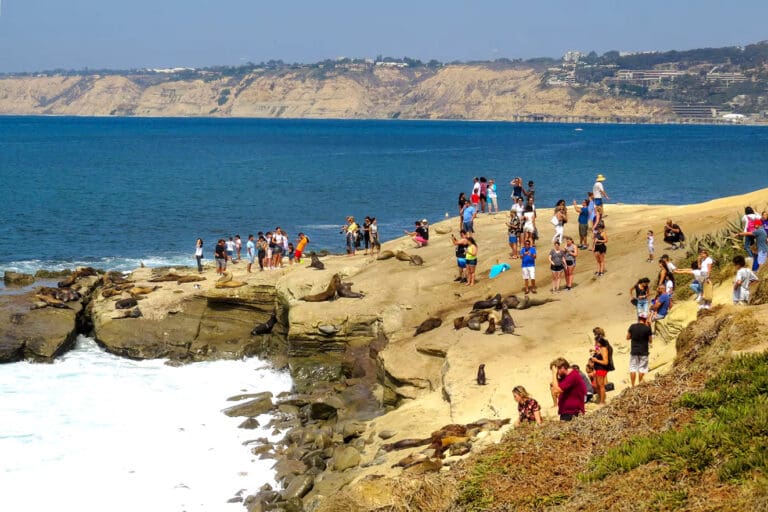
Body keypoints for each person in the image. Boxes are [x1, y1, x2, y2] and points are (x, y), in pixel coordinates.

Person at [588, 327, 614, 405]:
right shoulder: (602, 348)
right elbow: (601, 354)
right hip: (598, 367)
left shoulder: (604, 348)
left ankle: (602, 401)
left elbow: (605, 362)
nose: (595, 344)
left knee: (601, 385)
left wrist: (596, 360)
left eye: (596, 343)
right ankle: (601, 398)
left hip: (601, 368)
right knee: (596, 385)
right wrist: (596, 352)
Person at [627, 314, 653, 387]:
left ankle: (632, 385)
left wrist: (634, 336)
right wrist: (649, 326)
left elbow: (628, 337)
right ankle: (639, 385)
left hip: (634, 350)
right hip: (644, 351)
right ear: (645, 319)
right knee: (642, 369)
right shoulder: (647, 328)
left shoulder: (632, 326)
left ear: (639, 318)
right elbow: (650, 341)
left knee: (633, 368)